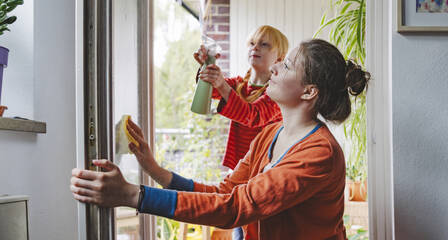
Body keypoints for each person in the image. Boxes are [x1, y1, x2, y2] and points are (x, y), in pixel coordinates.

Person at [70, 39, 370, 240]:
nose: (276, 66)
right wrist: (155, 170)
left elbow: (232, 208)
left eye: (288, 65)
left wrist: (132, 195)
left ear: (309, 92)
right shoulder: (270, 132)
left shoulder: (319, 153)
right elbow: (225, 191)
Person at [195, 25, 289, 171]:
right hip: (239, 166)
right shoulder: (239, 84)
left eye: (264, 44)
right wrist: (207, 65)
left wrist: (222, 84)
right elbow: (212, 90)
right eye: (252, 43)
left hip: (264, 167)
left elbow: (252, 115)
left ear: (279, 58)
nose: (255, 47)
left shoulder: (278, 93)